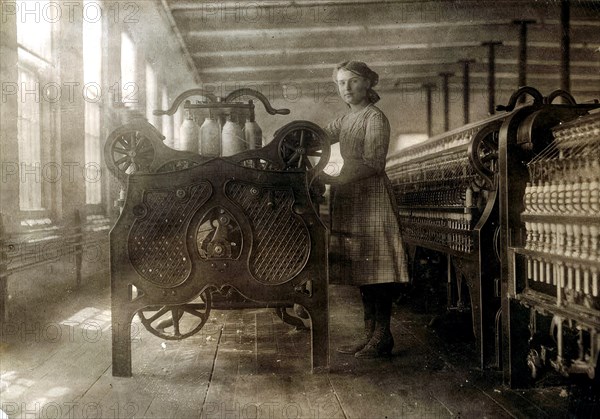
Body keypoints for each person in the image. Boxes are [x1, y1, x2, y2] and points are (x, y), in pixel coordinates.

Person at [319, 61, 409, 358]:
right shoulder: (346, 120)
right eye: (341, 83)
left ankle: (383, 335)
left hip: (371, 199)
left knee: (378, 268)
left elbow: (373, 163)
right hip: (352, 198)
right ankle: (370, 334)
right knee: (363, 267)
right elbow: (317, 137)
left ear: (367, 84)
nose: (346, 88)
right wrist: (291, 137)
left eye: (352, 82)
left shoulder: (374, 118)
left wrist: (331, 177)